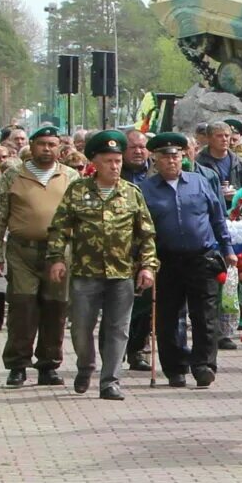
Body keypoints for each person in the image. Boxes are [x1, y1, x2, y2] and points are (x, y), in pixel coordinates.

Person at [44, 131, 157, 400]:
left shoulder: (131, 193)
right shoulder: (78, 190)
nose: (115, 166)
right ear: (95, 161)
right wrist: (57, 258)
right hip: (86, 272)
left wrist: (147, 266)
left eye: (118, 161)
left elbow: (146, 234)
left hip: (121, 273)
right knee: (81, 328)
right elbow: (59, 228)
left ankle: (110, 381)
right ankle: (86, 365)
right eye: (108, 161)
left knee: (118, 329)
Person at [136, 131, 234, 388]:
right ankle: (175, 367)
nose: (172, 162)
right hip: (165, 260)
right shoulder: (145, 189)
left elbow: (217, 218)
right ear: (155, 159)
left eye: (176, 157)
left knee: (205, 315)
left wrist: (227, 248)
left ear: (183, 158)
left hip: (201, 257)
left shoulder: (199, 183)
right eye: (165, 157)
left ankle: (203, 365)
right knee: (168, 317)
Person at [0, 126, 78, 386]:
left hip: (58, 253)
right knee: (22, 308)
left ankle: (49, 365)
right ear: (32, 146)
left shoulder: (70, 176)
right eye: (42, 144)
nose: (47, 149)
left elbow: (80, 218)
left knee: (55, 308)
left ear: (59, 147)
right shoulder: (14, 175)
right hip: (21, 251)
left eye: (52, 144)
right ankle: (18, 365)